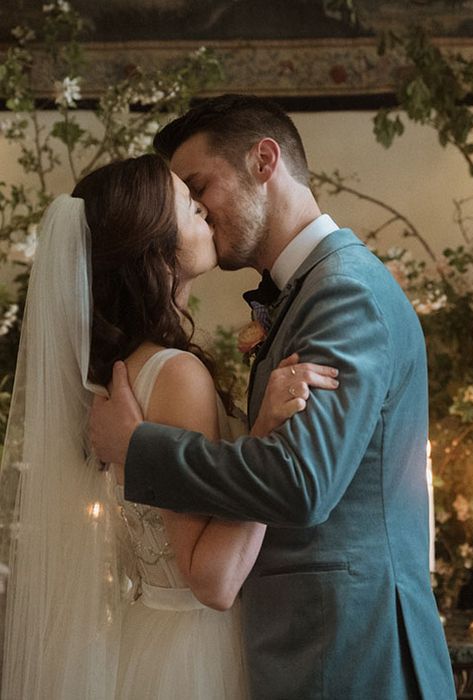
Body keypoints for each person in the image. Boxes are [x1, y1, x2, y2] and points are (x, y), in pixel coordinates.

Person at [89, 95, 456, 699]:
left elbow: (300, 483)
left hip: (353, 651)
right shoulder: (307, 292)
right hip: (312, 644)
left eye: (199, 184)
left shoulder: (343, 294)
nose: (199, 208)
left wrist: (139, 448)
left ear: (264, 161)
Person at [0, 153, 338, 698]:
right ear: (153, 249)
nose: (203, 206)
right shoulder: (175, 374)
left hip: (150, 638)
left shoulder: (119, 375)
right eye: (187, 202)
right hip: (198, 656)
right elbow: (213, 579)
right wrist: (267, 436)